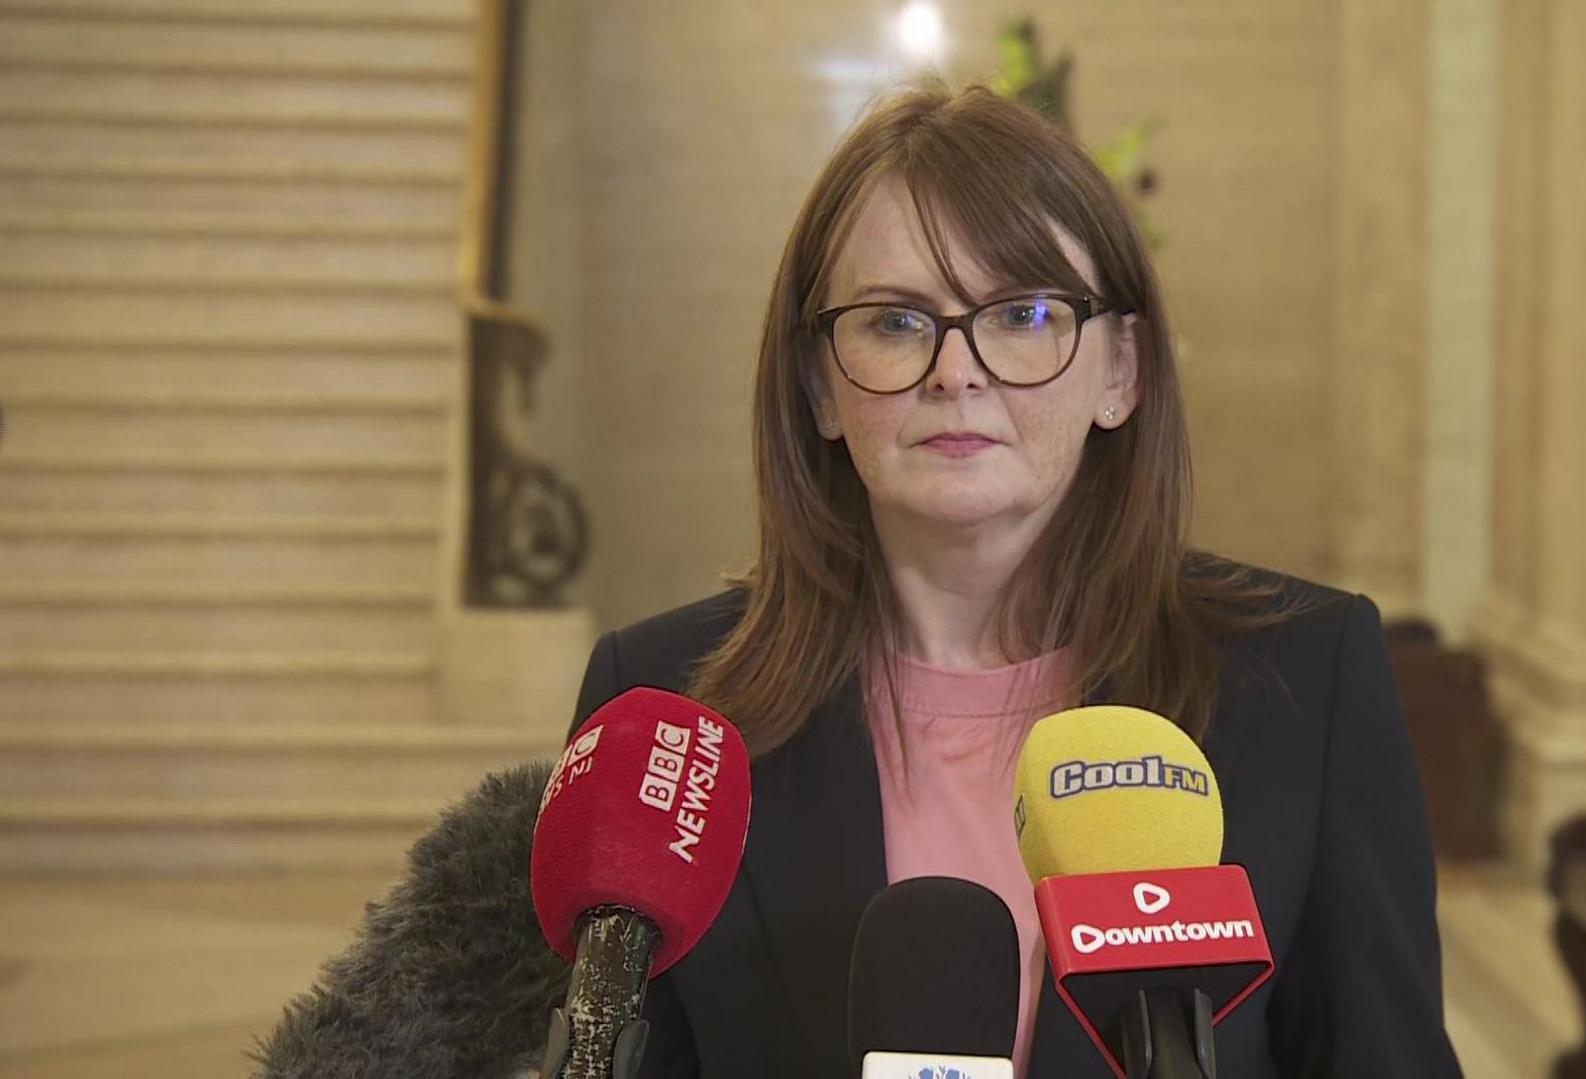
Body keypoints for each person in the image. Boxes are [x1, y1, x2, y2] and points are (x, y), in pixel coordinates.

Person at [570, 82, 1461, 1078]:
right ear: (820, 382)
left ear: (1121, 368)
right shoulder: (662, 710)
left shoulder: (1305, 681)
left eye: (1024, 311)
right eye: (897, 322)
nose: (957, 370)